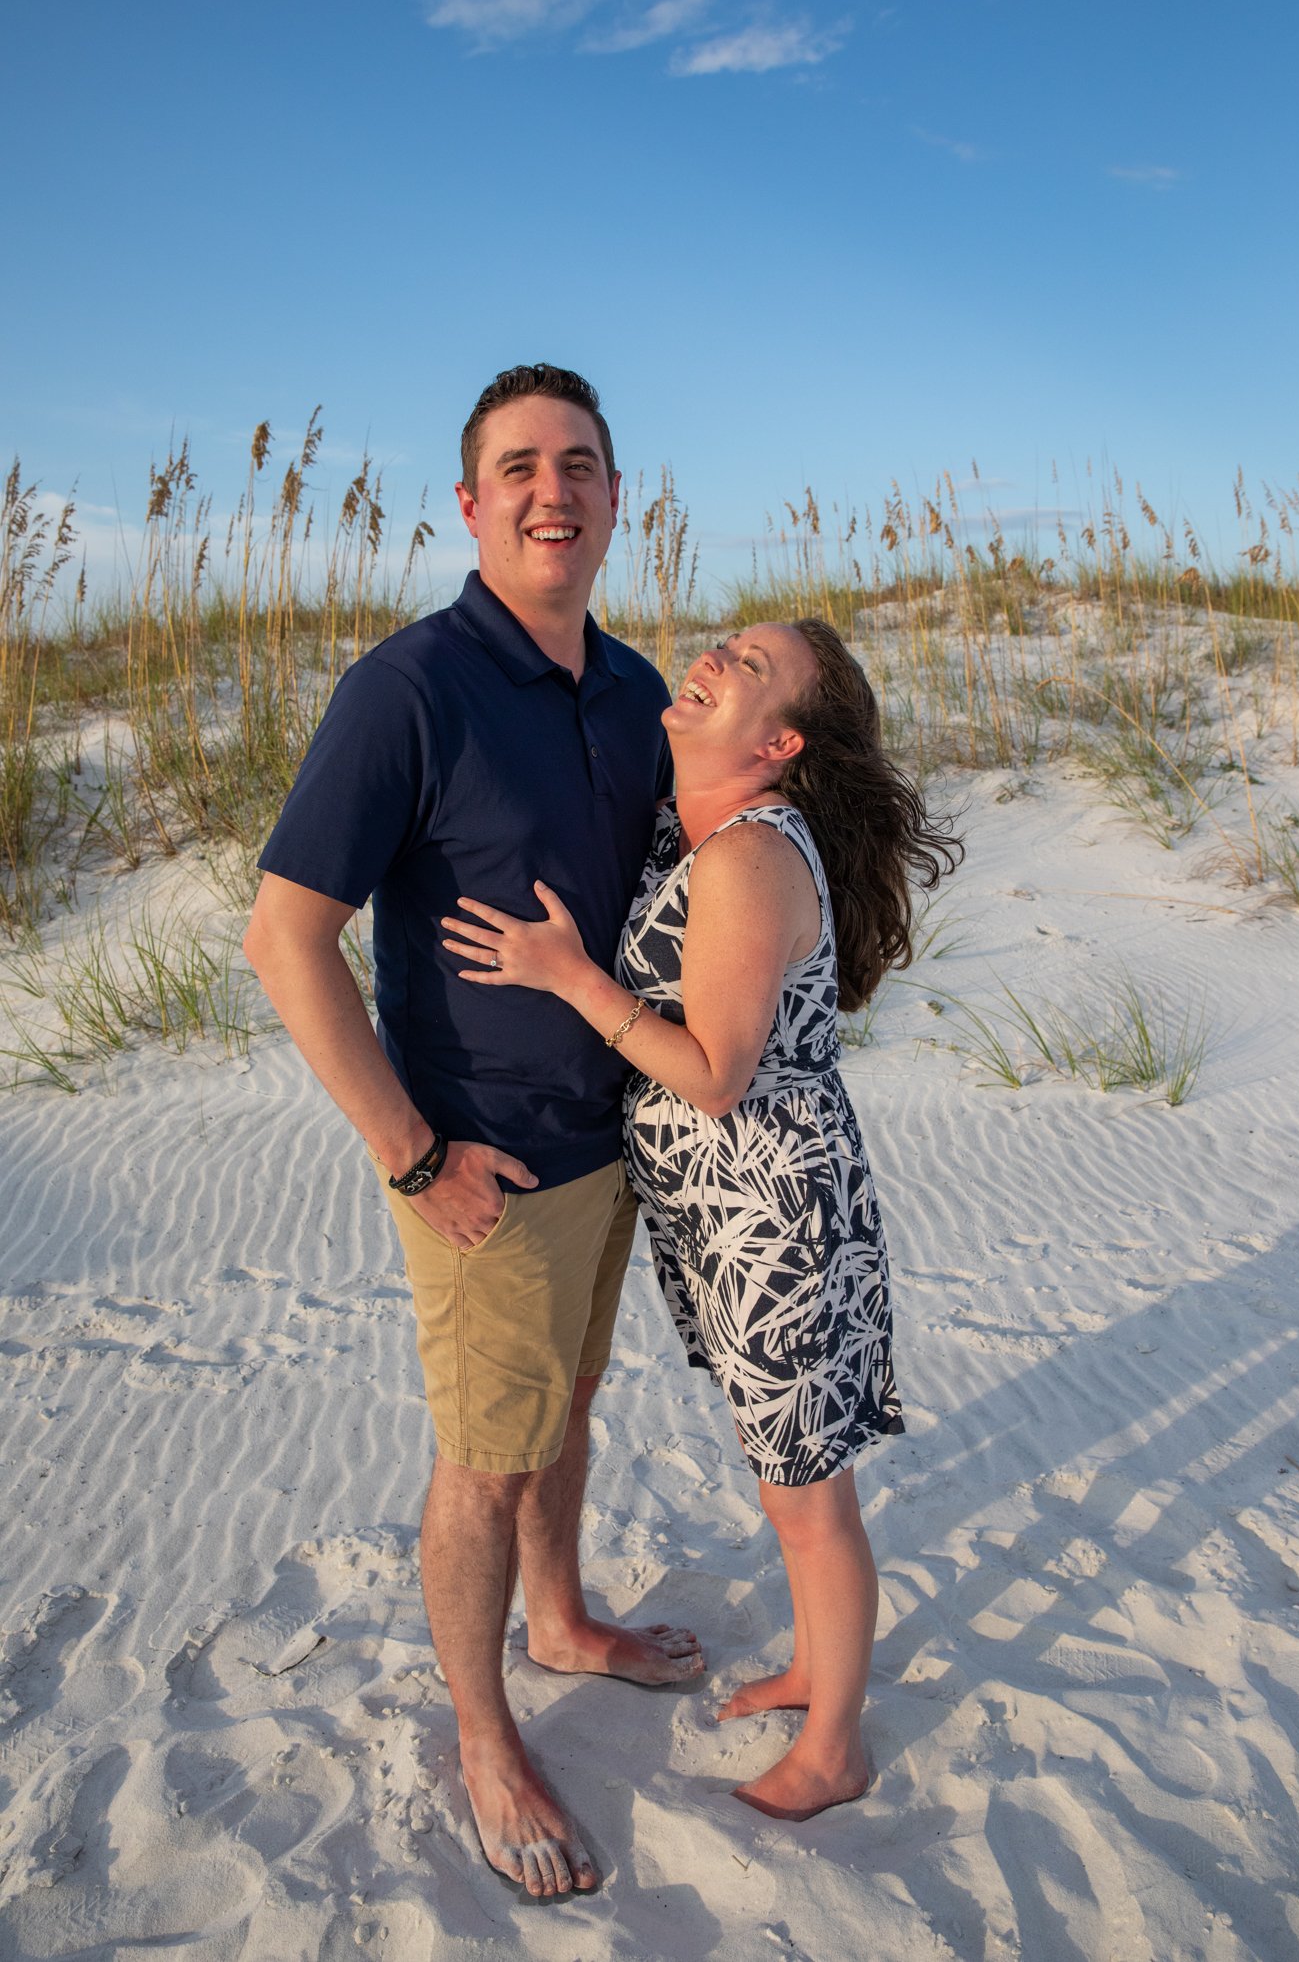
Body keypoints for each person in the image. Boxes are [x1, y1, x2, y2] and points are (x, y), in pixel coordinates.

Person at [243, 364, 703, 1901]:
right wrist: (411, 1151)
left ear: (617, 496)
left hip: (613, 1147)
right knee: (484, 1467)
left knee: (568, 1411)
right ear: (469, 503)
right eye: (518, 467)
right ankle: (486, 1731)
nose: (550, 491)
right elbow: (284, 938)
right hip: (482, 1170)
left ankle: (561, 1623)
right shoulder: (410, 688)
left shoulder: (637, 689)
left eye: (578, 463)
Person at [441, 615, 962, 1822]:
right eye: (730, 640)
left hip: (773, 1217)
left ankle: (836, 1748)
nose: (719, 656)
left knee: (809, 1498)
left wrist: (569, 976)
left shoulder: (746, 858)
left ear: (780, 743)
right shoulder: (708, 833)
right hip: (735, 1217)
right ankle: (819, 1673)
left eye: (754, 666)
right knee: (790, 1479)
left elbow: (717, 1074)